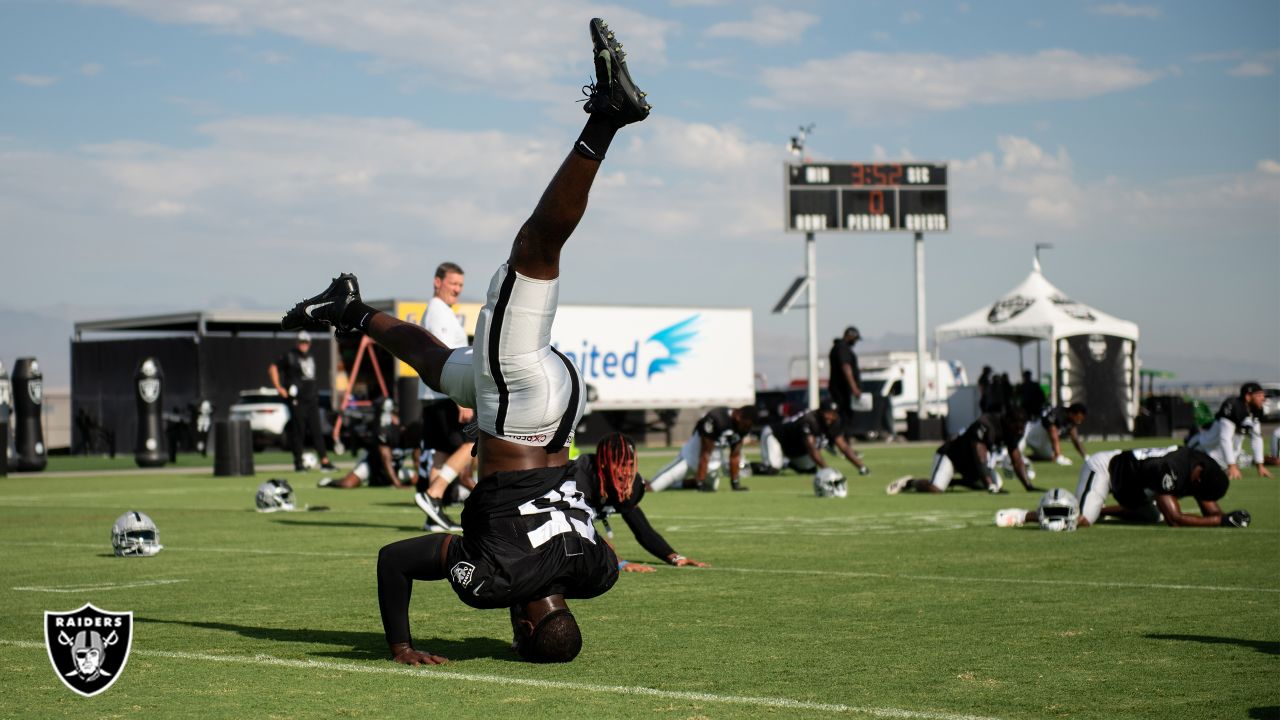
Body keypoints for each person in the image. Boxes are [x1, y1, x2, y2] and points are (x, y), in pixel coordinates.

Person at [282, 17, 650, 665]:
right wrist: (400, 644)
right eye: (519, 632)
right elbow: (395, 559)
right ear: (526, 629)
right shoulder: (495, 585)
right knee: (535, 250)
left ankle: (350, 309)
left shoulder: (597, 574)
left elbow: (605, 552)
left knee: (444, 370)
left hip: (554, 409)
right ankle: (607, 120)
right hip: (520, 409)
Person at [995, 446, 1249, 529]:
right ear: (1198, 480)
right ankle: (1021, 515)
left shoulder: (1199, 467)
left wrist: (1226, 518)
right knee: (1082, 520)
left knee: (1151, 516)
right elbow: (1175, 519)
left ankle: (1102, 509)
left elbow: (1211, 510)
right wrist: (1222, 521)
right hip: (1106, 468)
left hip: (1133, 484)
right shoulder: (1171, 470)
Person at [579, 432, 708, 572]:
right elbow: (578, 530)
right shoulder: (579, 477)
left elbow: (643, 530)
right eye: (621, 464)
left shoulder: (632, 485)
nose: (627, 472)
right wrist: (619, 562)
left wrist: (673, 556)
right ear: (603, 463)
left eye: (630, 464)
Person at [413, 261, 476, 530]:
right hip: (444, 393)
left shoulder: (442, 311)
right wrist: (460, 398)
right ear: (437, 282)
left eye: (460, 285)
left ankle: (433, 514)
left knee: (440, 453)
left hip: (435, 394)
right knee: (473, 442)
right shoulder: (438, 313)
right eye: (453, 283)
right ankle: (434, 493)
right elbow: (444, 356)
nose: (457, 290)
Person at [886, 408, 1039, 494]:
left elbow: (1016, 459)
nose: (1020, 430)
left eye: (1022, 427)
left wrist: (1028, 486)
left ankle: (954, 482)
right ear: (1008, 421)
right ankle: (911, 482)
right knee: (936, 489)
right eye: (1017, 426)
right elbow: (980, 456)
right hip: (951, 456)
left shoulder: (1013, 432)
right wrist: (989, 484)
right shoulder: (987, 424)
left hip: (971, 464)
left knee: (997, 483)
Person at [268, 330, 336, 471]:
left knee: (317, 431)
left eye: (306, 342)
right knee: (299, 431)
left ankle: (324, 461)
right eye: (301, 342)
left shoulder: (310, 355)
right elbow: (273, 367)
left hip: (311, 399)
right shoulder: (289, 355)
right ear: (297, 342)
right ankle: (298, 462)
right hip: (297, 399)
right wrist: (279, 387)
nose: (303, 345)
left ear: (309, 343)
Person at [648, 406, 754, 492]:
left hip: (711, 467)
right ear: (739, 417)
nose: (745, 429)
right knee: (652, 488)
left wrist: (735, 483)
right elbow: (705, 453)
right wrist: (700, 481)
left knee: (711, 488)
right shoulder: (717, 418)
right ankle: (641, 484)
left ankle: (673, 484)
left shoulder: (742, 427)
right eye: (745, 426)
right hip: (689, 460)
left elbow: (735, 455)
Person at [317, 399, 414, 492]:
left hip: (396, 469)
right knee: (348, 484)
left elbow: (418, 458)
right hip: (373, 466)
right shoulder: (385, 431)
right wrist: (397, 483)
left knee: (418, 479)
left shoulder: (412, 431)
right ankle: (329, 481)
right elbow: (386, 459)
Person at [754, 401, 870, 477]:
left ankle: (787, 463)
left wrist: (862, 467)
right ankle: (747, 467)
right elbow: (811, 448)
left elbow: (843, 446)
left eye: (833, 414)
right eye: (827, 413)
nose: (830, 416)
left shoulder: (835, 422)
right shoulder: (809, 420)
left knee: (809, 470)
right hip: (775, 436)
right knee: (772, 470)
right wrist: (828, 471)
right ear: (820, 412)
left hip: (794, 447)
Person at [1187, 382, 1272, 480]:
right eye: (1259, 395)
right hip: (1203, 449)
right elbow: (1225, 438)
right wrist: (1232, 466)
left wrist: (1260, 465)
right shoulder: (1233, 406)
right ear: (1248, 396)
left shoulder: (1257, 410)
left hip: (1222, 460)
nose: (1263, 398)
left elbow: (1256, 438)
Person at [1022, 403, 1088, 465]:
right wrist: (1058, 455)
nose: (1079, 422)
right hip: (1027, 433)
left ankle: (1024, 458)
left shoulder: (1071, 421)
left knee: (1050, 457)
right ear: (1072, 414)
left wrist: (1086, 457)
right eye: (1078, 418)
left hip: (1041, 439)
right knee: (1015, 454)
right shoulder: (1058, 414)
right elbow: (1052, 431)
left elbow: (1075, 438)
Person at [827, 327, 863, 430]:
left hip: (842, 391)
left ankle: (844, 441)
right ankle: (843, 442)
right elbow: (845, 367)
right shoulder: (842, 348)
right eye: (855, 339)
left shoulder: (841, 348)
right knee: (844, 418)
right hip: (842, 391)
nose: (855, 342)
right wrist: (854, 388)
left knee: (844, 418)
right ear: (850, 336)